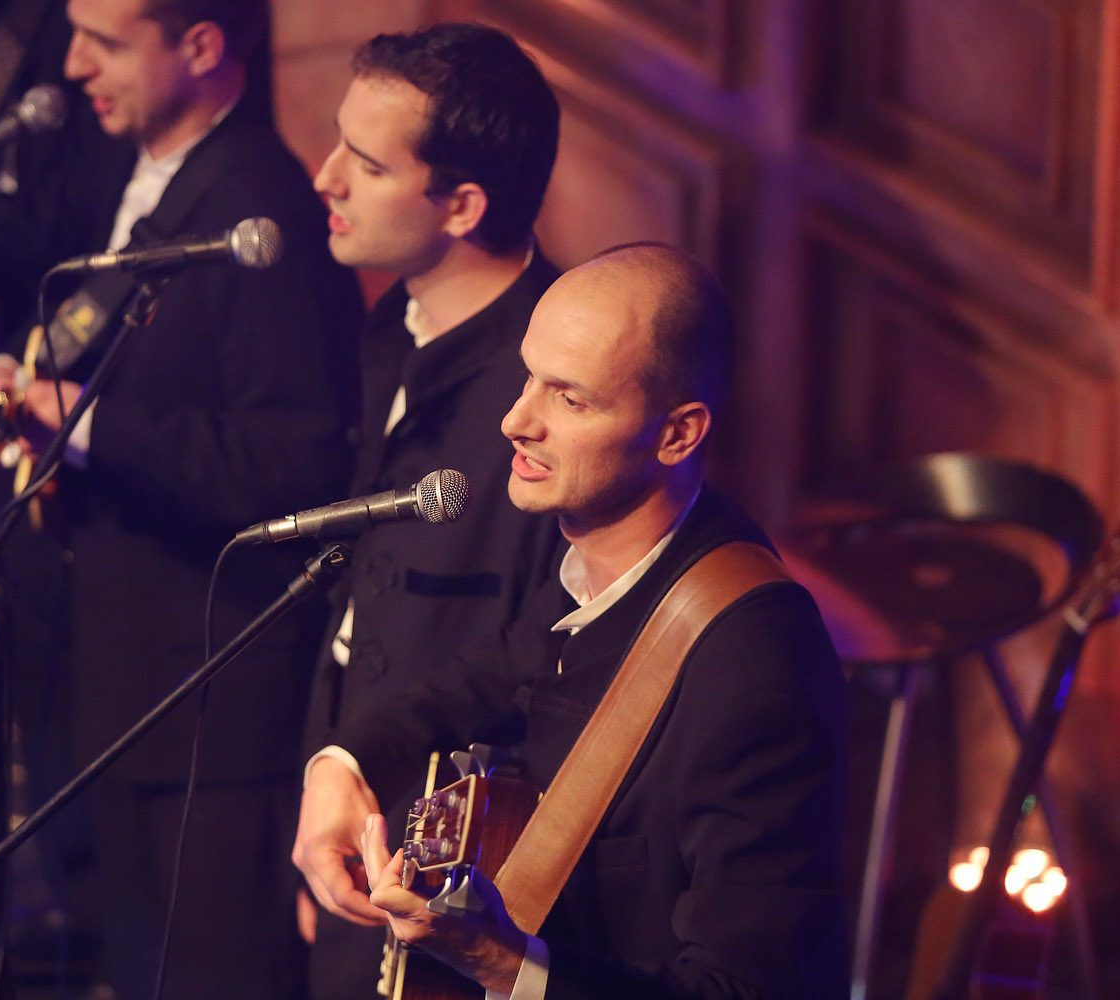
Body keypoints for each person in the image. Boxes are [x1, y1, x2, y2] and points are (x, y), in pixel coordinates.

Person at [0, 1, 363, 997]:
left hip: (197, 691)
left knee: (204, 964)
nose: (73, 62)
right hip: (97, 628)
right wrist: (32, 384)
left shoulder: (263, 217)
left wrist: (80, 422)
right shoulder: (119, 162)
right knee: (125, 936)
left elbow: (297, 462)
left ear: (202, 47)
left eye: (106, 42)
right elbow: (93, 329)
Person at [295, 243, 848, 999]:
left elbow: (746, 989)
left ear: (678, 434)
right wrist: (343, 766)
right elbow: (487, 676)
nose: (516, 420)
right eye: (528, 377)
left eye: (570, 399)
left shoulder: (755, 662)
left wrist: (501, 962)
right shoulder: (587, 563)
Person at [293, 24, 566, 999]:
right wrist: (328, 788)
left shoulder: (552, 390)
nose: (324, 178)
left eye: (365, 164)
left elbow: (530, 661)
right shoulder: (388, 326)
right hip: (352, 799)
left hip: (457, 872)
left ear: (462, 203)